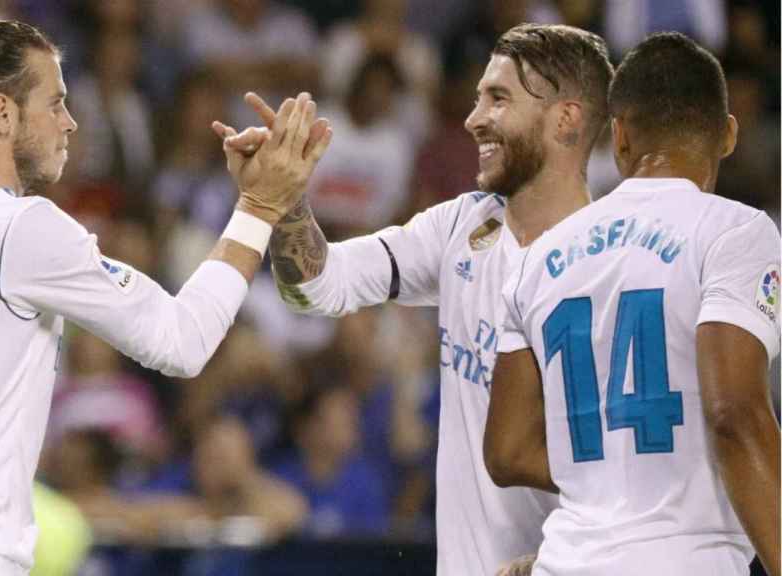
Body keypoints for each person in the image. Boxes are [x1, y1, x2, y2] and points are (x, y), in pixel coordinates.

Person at [0, 7, 331, 575]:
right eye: (55, 101)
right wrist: (258, 208)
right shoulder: (21, 227)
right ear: (2, 112)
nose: (69, 121)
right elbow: (181, 340)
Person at [223, 23, 614, 575]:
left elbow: (641, 466)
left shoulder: (615, 267)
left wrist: (565, 560)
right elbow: (316, 285)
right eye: (479, 97)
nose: (473, 118)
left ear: (566, 118)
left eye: (498, 98)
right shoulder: (461, 226)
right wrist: (284, 201)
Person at [485, 32, 780, 576]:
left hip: (565, 562)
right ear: (729, 134)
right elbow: (734, 411)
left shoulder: (536, 257)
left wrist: (616, 472)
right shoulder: (736, 232)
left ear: (618, 137)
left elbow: (506, 450)